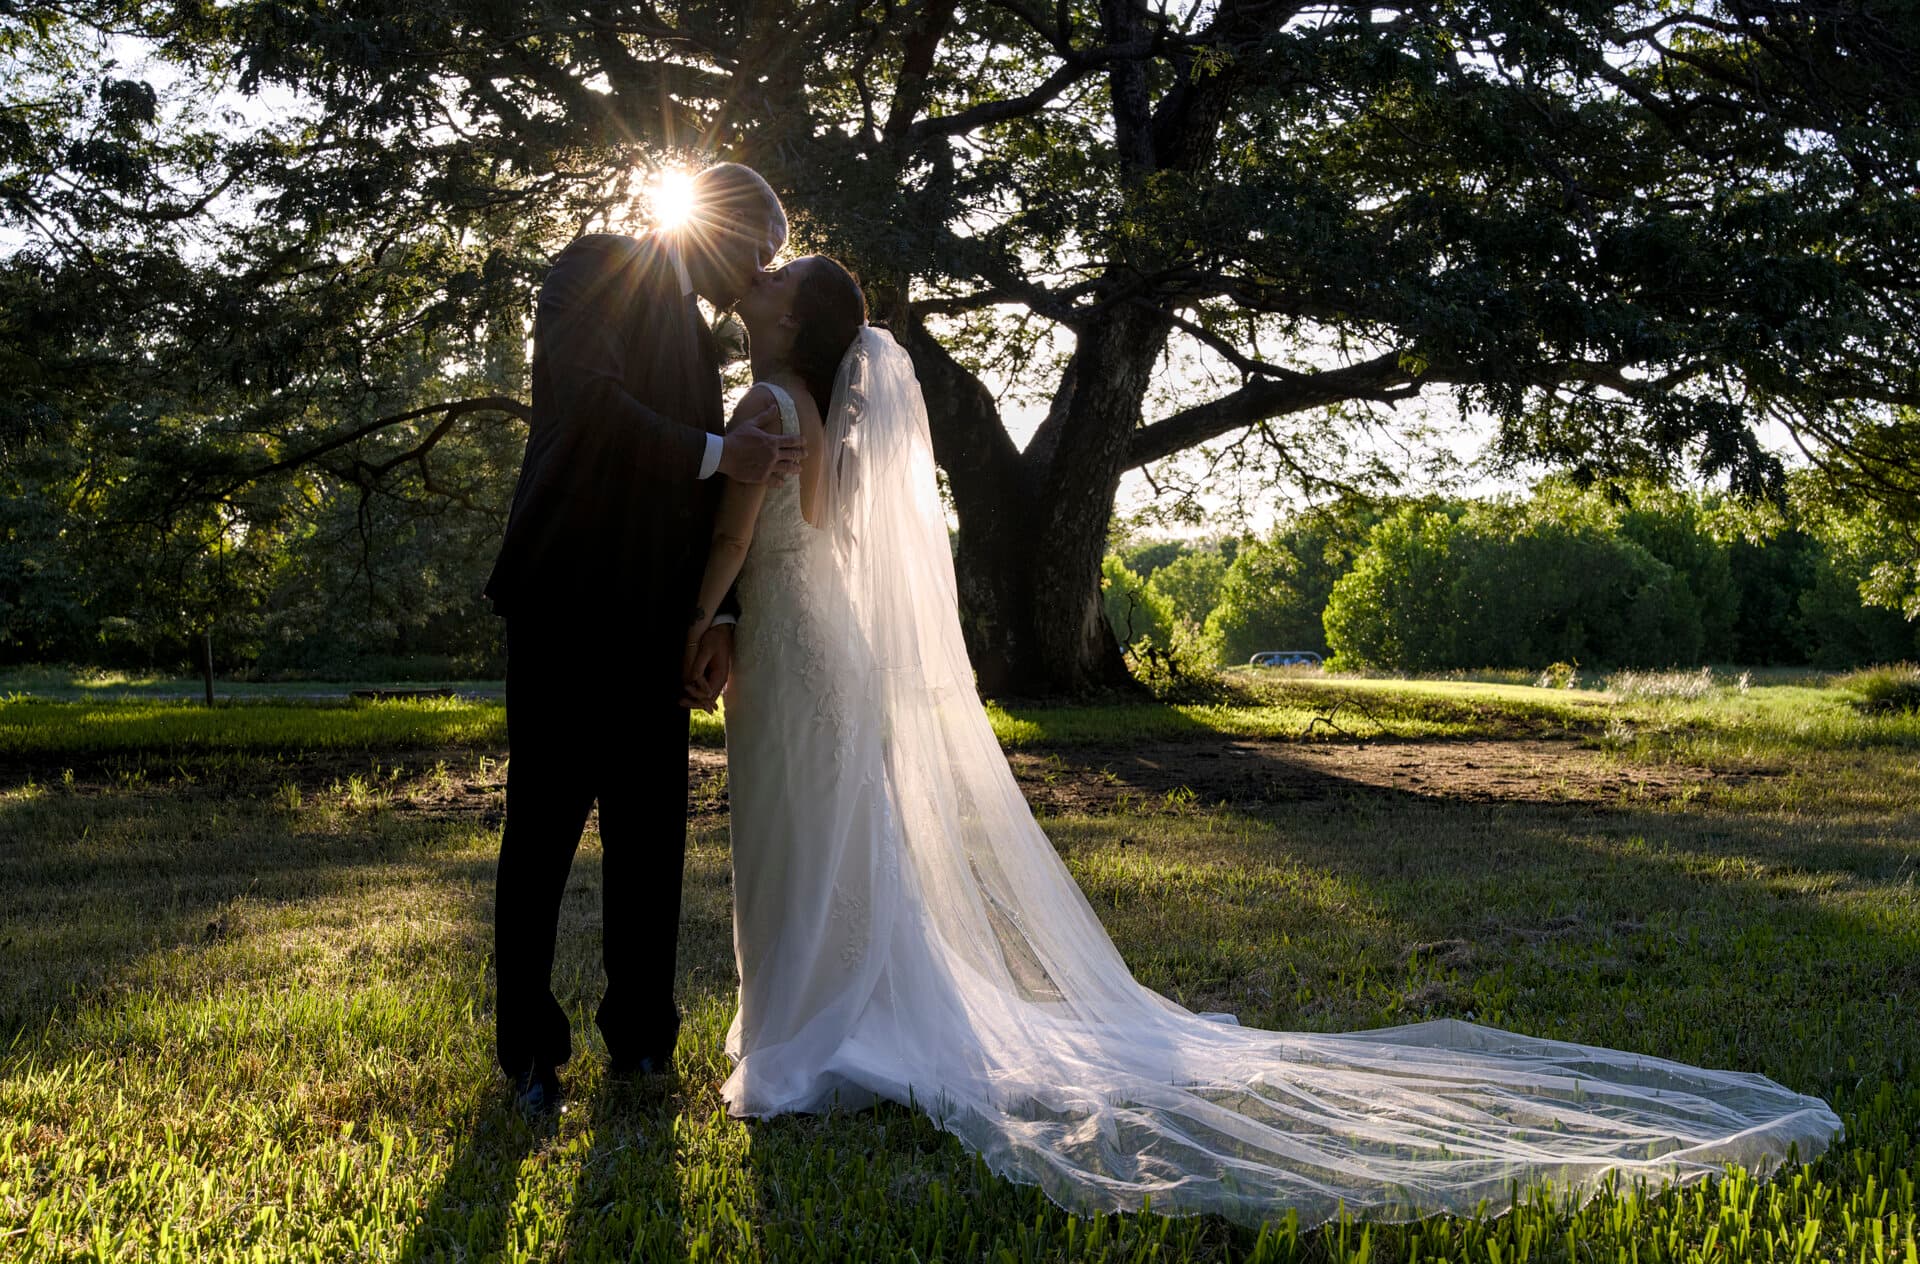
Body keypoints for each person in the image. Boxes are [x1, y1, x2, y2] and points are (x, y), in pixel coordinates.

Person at [684, 257, 1842, 1227]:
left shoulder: (768, 407)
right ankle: (840, 1015)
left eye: (776, 281)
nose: (761, 281)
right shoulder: (829, 411)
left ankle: (807, 1031)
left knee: (793, 828)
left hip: (791, 644)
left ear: (791, 321)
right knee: (829, 828)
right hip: (823, 642)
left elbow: (739, 531)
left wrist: (699, 617)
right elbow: (818, 528)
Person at [483, 162, 805, 1111]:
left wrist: (724, 617)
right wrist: (717, 451)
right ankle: (531, 1054)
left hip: (661, 621)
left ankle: (644, 1044)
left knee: (651, 835)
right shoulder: (591, 267)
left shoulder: (710, 345)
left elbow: (719, 507)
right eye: (761, 249)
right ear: (721, 224)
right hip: (566, 602)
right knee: (540, 830)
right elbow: (587, 411)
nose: (761, 272)